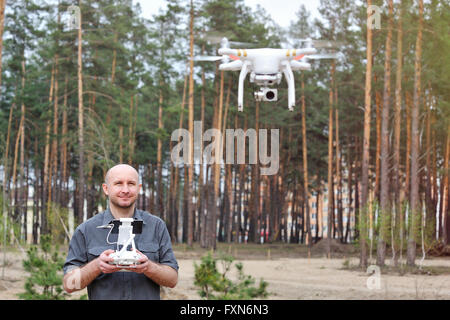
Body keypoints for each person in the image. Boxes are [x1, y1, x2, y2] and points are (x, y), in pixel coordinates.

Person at [63, 164, 178, 300]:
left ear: (139, 188)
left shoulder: (156, 226)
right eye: (118, 183)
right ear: (106, 189)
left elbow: (172, 280)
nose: (125, 190)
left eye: (131, 184)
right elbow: (69, 285)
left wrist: (148, 267)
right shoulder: (86, 230)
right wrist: (97, 265)